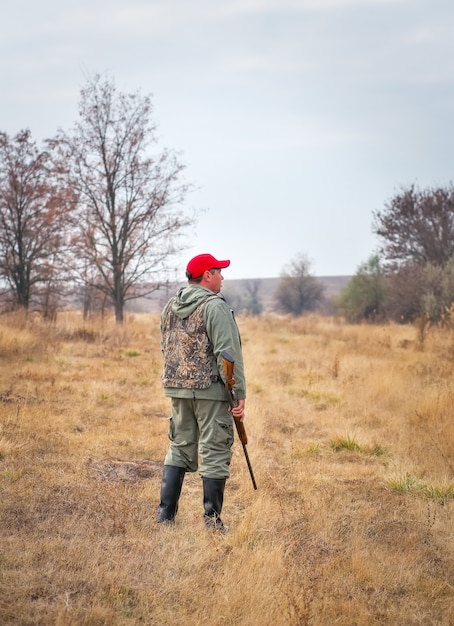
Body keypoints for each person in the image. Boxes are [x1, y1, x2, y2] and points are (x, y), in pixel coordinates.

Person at [157, 253, 246, 531]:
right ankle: (212, 521)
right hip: (210, 391)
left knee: (179, 448)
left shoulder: (170, 306)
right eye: (219, 271)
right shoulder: (215, 306)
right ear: (206, 275)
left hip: (178, 389)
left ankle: (165, 517)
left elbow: (166, 348)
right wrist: (237, 392)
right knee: (216, 449)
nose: (222, 276)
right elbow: (227, 355)